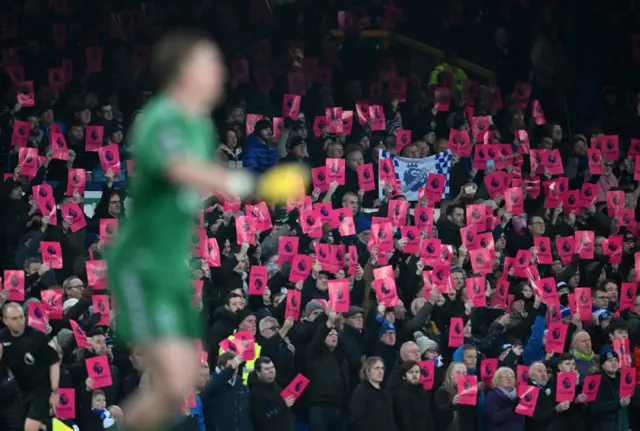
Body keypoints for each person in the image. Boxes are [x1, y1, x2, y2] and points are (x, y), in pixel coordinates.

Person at [106, 30, 307, 431]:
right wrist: (252, 184)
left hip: (170, 266)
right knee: (166, 378)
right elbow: (180, 167)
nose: (219, 70)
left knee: (177, 384)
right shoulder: (160, 117)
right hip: (142, 262)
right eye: (208, 62)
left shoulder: (199, 126)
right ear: (184, 72)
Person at [0, 302, 61, 431]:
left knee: (30, 427)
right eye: (14, 318)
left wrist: (55, 391)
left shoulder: (37, 336)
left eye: (21, 317)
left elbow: (54, 362)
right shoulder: (2, 337)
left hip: (41, 387)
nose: (19, 321)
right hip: (21, 389)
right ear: (5, 321)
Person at [349, 356, 398, 431]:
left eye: (382, 368)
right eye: (377, 368)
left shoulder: (385, 394)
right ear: (368, 371)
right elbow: (357, 419)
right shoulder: (360, 391)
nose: (381, 371)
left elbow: (390, 420)